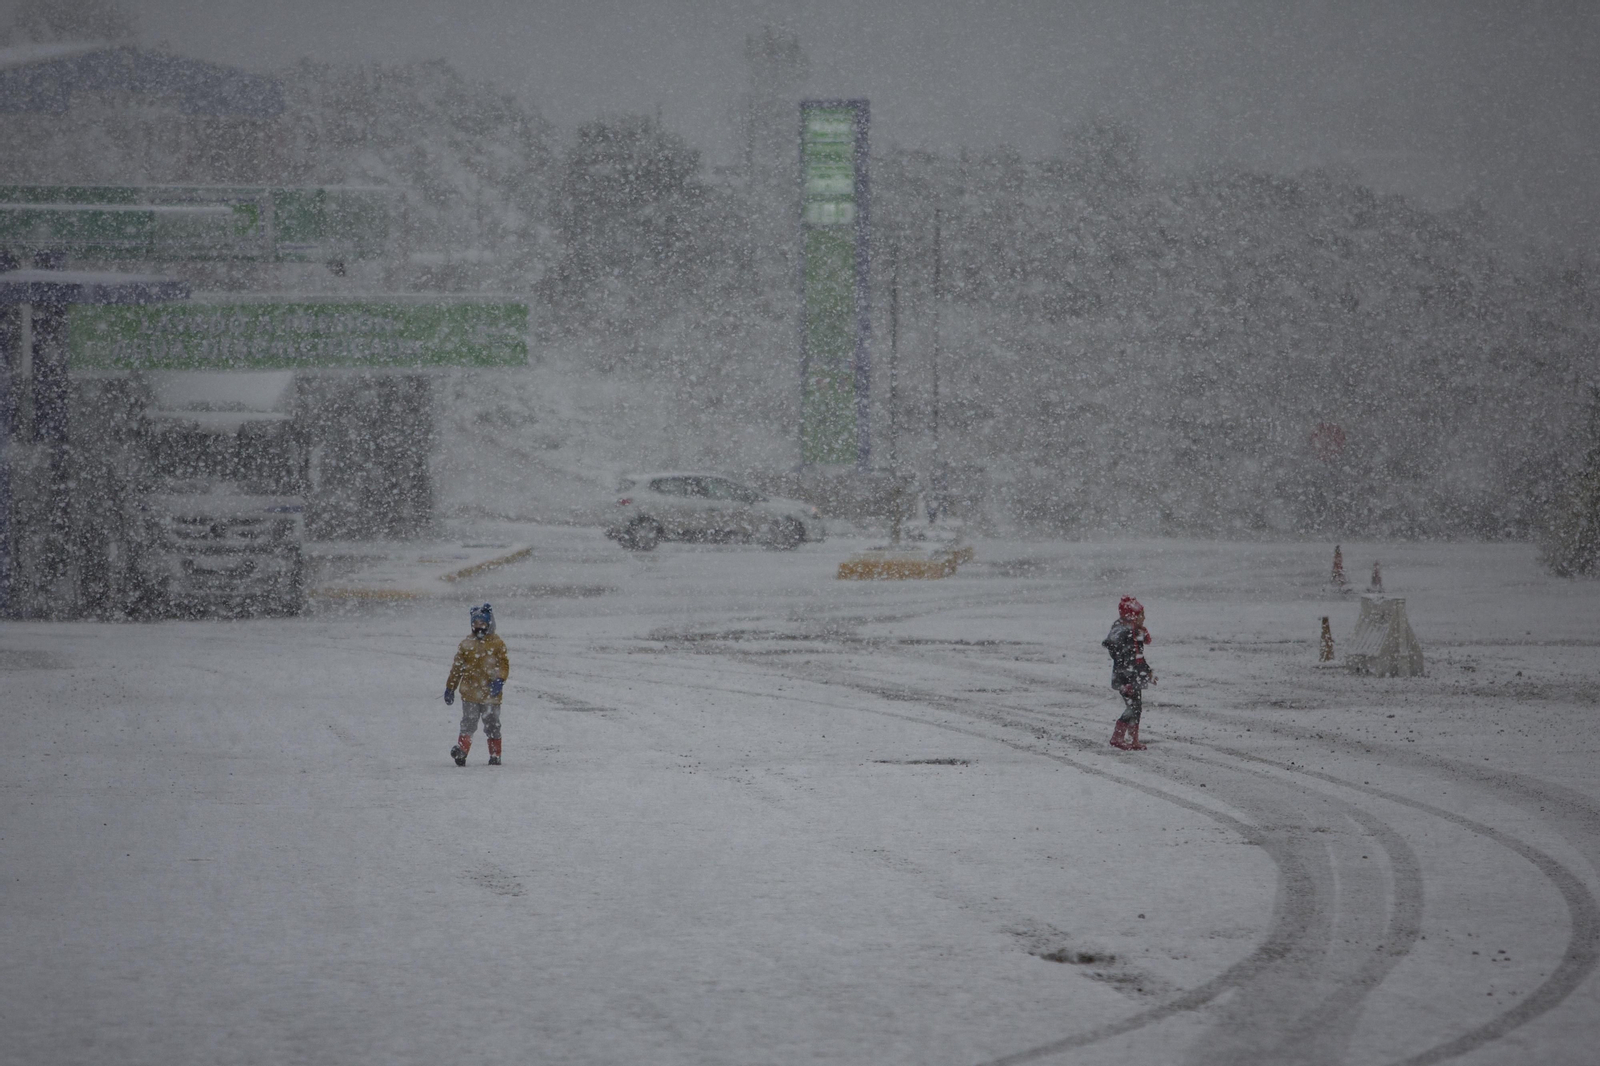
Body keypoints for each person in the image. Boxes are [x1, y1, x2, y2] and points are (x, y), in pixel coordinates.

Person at [444, 603, 510, 766]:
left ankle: (495, 755)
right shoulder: (466, 644)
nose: (478, 626)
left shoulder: (497, 643)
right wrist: (450, 687)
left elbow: (504, 664)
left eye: (482, 623)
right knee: (468, 722)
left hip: (491, 695)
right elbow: (457, 668)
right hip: (470, 693)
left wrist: (500, 679)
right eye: (475, 623)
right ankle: (462, 751)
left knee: (493, 724)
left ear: (489, 624)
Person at [1104, 595, 1155, 750]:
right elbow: (1123, 659)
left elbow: (1139, 656)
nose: (1144, 618)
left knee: (1137, 707)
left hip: (1134, 676)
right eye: (1141, 615)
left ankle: (1133, 739)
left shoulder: (1135, 632)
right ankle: (1117, 737)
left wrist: (1147, 671)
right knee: (1132, 707)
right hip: (1127, 677)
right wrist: (1126, 681)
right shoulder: (1126, 634)